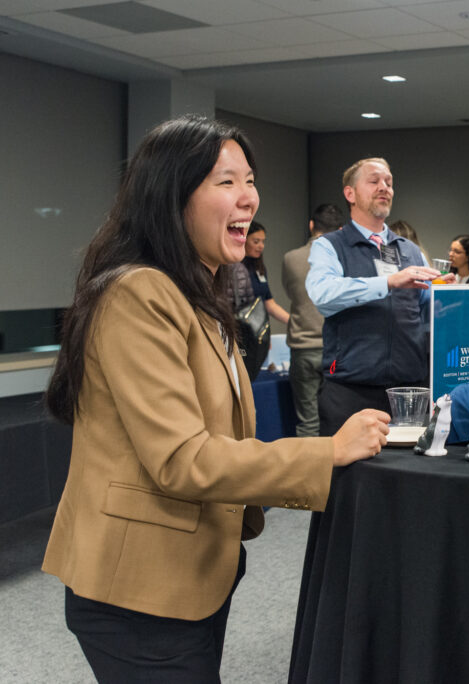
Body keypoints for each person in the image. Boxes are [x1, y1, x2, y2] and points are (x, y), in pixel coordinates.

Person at [40, 115, 390, 683]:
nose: (249, 197)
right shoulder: (141, 292)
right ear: (171, 196)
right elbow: (184, 459)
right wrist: (327, 451)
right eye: (226, 181)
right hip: (139, 591)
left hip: (187, 575)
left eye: (250, 180)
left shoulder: (195, 292)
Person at [306, 157, 454, 434]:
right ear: (350, 193)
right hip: (351, 389)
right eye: (374, 181)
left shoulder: (409, 250)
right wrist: (388, 282)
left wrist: (446, 296)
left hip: (409, 390)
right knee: (349, 462)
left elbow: (425, 312)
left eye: (389, 182)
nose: (384, 187)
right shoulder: (330, 246)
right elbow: (323, 294)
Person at [282, 203, 344, 437]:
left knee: (308, 422)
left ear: (311, 225)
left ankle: (310, 462)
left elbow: (291, 293)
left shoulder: (291, 258)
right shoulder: (342, 261)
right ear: (340, 230)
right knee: (337, 419)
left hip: (303, 349)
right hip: (334, 352)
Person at [227, 221, 289, 381]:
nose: (261, 246)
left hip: (257, 332)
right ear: (244, 239)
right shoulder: (231, 267)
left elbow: (269, 303)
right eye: (256, 241)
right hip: (239, 333)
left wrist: (292, 321)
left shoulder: (259, 268)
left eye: (263, 241)